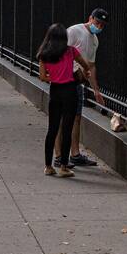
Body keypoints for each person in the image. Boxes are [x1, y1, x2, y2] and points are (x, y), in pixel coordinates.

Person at [37, 23, 93, 178]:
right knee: (67, 129)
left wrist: (53, 77)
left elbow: (42, 77)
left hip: (55, 91)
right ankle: (63, 166)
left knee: (53, 129)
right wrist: (85, 72)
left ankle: (48, 166)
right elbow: (85, 65)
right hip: (70, 90)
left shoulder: (44, 54)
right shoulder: (70, 51)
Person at [55, 8, 108, 168]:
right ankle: (58, 156)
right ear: (90, 18)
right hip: (65, 79)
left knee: (76, 117)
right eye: (97, 22)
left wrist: (96, 90)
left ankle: (75, 153)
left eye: (102, 25)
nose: (98, 26)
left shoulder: (94, 40)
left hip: (77, 81)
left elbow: (91, 67)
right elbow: (60, 52)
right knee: (63, 118)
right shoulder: (74, 31)